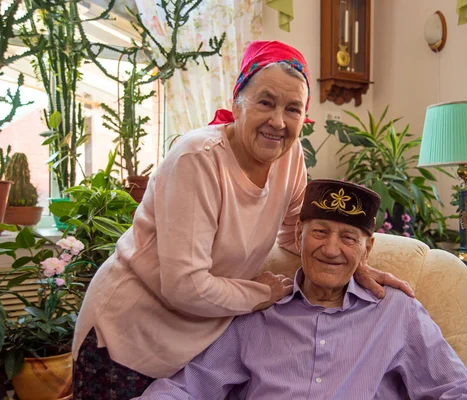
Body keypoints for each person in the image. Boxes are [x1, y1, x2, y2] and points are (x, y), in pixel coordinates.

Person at [72, 41, 413, 399]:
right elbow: (184, 285)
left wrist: (351, 263)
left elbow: (297, 233)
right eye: (265, 102)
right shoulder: (197, 160)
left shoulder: (290, 155)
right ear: (237, 102)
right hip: (130, 337)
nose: (278, 121)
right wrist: (262, 293)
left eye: (293, 109)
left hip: (197, 348)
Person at [136, 179, 467, 400]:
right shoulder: (260, 309)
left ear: (366, 250)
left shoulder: (396, 311)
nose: (331, 249)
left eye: (347, 237)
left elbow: (458, 386)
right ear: (299, 236)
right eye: (320, 232)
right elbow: (190, 386)